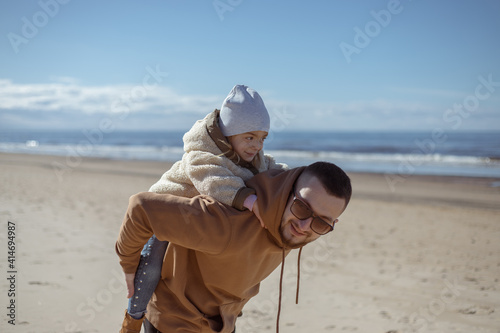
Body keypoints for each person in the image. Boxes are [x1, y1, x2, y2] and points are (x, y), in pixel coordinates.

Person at [119, 84, 288, 332]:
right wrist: (250, 200)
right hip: (165, 215)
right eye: (249, 137)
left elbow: (271, 169)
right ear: (229, 133)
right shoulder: (200, 154)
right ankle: (133, 316)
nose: (257, 145)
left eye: (262, 138)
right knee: (152, 262)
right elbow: (214, 182)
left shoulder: (251, 155)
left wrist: (295, 179)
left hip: (193, 218)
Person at [116, 161, 352, 333]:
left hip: (221, 325)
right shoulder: (228, 222)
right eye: (302, 207)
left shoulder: (288, 226)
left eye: (321, 222)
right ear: (286, 192)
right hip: (175, 324)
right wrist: (129, 267)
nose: (304, 225)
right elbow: (141, 208)